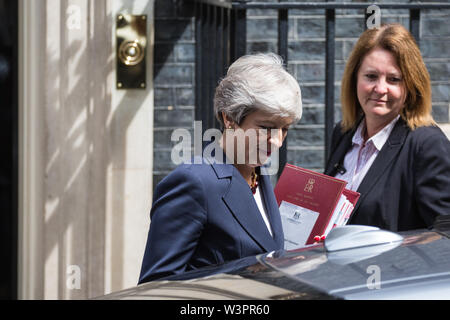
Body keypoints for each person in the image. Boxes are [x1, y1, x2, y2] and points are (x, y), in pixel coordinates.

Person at [139, 53, 302, 283]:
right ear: (229, 118)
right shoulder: (193, 182)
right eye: (266, 127)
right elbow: (156, 288)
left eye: (285, 129)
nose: (277, 141)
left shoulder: (258, 171)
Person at [324, 23, 450, 231]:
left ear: (411, 86)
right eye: (371, 76)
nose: (380, 89)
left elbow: (445, 235)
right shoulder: (344, 132)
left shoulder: (427, 144)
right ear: (354, 78)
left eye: (393, 79)